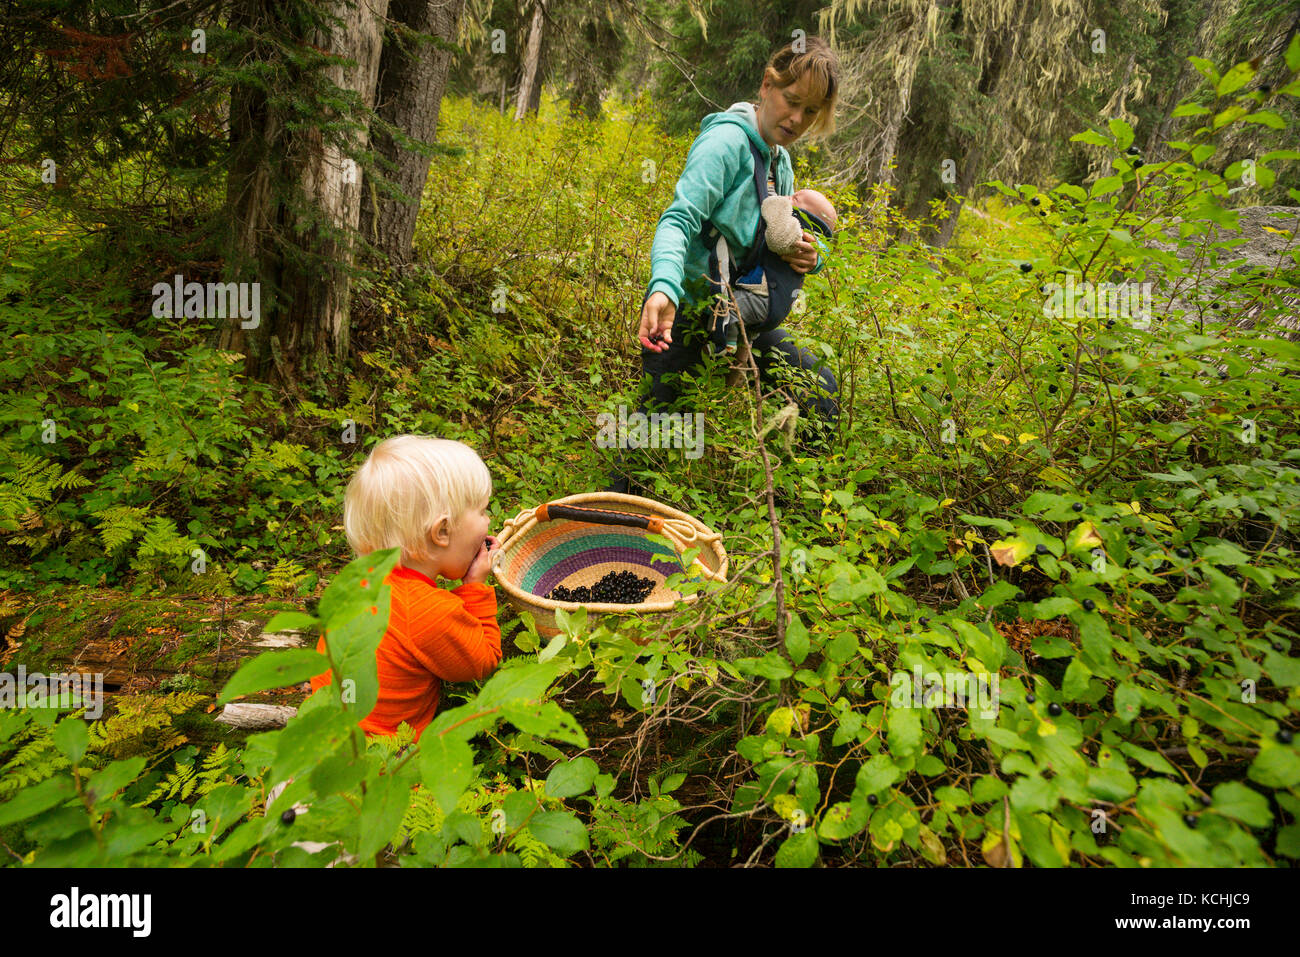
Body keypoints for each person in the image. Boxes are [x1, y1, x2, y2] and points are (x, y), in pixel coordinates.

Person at [606, 37, 842, 495]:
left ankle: (804, 505)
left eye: (811, 112)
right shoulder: (726, 142)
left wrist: (813, 256)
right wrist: (663, 289)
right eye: (792, 102)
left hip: (740, 320)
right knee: (656, 440)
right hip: (689, 316)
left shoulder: (781, 162)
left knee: (819, 384)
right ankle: (617, 522)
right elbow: (679, 219)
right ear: (767, 85)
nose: (797, 119)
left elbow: (790, 232)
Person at [309, 434, 503, 741]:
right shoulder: (428, 611)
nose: (488, 521)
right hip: (374, 768)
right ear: (442, 531)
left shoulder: (359, 582)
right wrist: (474, 586)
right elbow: (484, 660)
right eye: (481, 511)